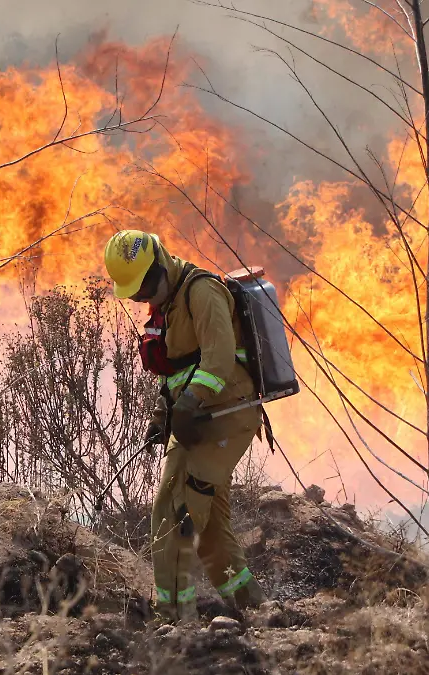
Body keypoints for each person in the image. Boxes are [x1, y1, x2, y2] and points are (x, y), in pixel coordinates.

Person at [103, 229, 267, 624]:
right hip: (194, 421)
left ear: (162, 263)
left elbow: (218, 359)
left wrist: (190, 403)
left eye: (145, 287)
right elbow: (176, 372)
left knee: (178, 512)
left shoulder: (202, 292)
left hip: (228, 416)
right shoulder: (168, 306)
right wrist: (163, 416)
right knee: (203, 527)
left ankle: (174, 617)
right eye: (136, 293)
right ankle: (255, 607)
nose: (142, 297)